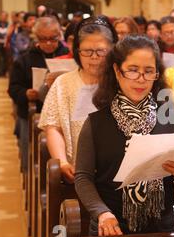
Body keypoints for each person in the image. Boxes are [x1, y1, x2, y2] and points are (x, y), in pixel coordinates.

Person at [75, 35, 174, 236]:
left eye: (148, 72)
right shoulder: (97, 123)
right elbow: (83, 178)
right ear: (116, 70)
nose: (141, 79)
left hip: (161, 228)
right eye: (132, 70)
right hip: (112, 227)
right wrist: (101, 213)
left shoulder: (168, 116)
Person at [38, 16, 118, 183]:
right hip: (77, 171)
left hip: (116, 172)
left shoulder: (121, 82)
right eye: (87, 51)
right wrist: (62, 162)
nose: (94, 57)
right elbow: (53, 127)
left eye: (101, 51)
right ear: (77, 51)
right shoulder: (63, 83)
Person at [8, 16, 69, 173]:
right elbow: (13, 88)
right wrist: (26, 94)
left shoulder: (69, 56)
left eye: (52, 39)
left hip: (63, 115)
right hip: (33, 112)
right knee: (32, 155)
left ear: (59, 36)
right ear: (36, 37)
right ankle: (31, 178)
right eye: (43, 39)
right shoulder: (24, 59)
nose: (48, 43)